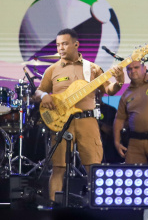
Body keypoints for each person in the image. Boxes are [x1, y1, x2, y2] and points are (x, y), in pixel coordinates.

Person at [34, 28, 125, 201]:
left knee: (94, 168)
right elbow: (38, 92)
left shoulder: (92, 68)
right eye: (58, 44)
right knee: (58, 168)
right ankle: (55, 207)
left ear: (76, 44)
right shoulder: (52, 70)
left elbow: (109, 89)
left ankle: (97, 206)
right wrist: (44, 95)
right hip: (60, 122)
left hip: (87, 120)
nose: (60, 48)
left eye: (65, 44)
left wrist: (119, 81)